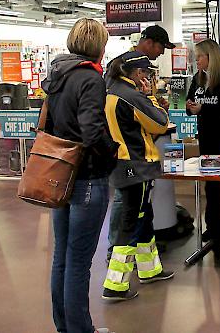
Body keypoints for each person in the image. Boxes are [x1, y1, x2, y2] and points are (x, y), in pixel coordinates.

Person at [43, 18, 118, 333]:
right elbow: (91, 130)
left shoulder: (57, 75)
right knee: (78, 262)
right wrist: (110, 150)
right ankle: (81, 330)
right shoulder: (89, 78)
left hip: (61, 174)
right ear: (99, 46)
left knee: (62, 256)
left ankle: (65, 326)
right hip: (87, 177)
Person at [102, 51, 175, 301]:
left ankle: (149, 269)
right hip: (138, 167)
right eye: (146, 72)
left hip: (121, 165)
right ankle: (116, 285)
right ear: (136, 73)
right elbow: (161, 123)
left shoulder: (109, 90)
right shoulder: (132, 96)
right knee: (131, 223)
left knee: (144, 219)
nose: (149, 76)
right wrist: (151, 97)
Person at [186, 38, 220, 242]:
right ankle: (212, 225)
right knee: (209, 181)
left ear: (211, 57)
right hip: (206, 137)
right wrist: (191, 107)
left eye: (200, 56)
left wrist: (204, 108)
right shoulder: (197, 79)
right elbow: (190, 104)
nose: (197, 60)